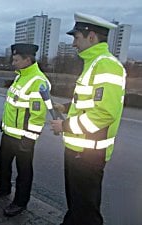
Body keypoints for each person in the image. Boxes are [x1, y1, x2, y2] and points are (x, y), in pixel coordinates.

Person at [50, 12, 127, 225]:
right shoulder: (93, 64)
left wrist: (65, 125)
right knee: (77, 204)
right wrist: (64, 107)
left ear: (91, 37)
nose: (73, 43)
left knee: (86, 211)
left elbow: (104, 113)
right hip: (79, 150)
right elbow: (88, 104)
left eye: (76, 38)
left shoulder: (106, 65)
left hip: (88, 153)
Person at [0, 43, 50, 217]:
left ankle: (20, 202)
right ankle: (3, 188)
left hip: (23, 137)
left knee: (24, 172)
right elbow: (12, 105)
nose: (12, 62)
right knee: (4, 164)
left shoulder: (38, 81)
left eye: (16, 59)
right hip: (9, 134)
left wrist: (29, 139)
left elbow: (37, 115)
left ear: (27, 60)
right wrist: (3, 122)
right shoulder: (19, 76)